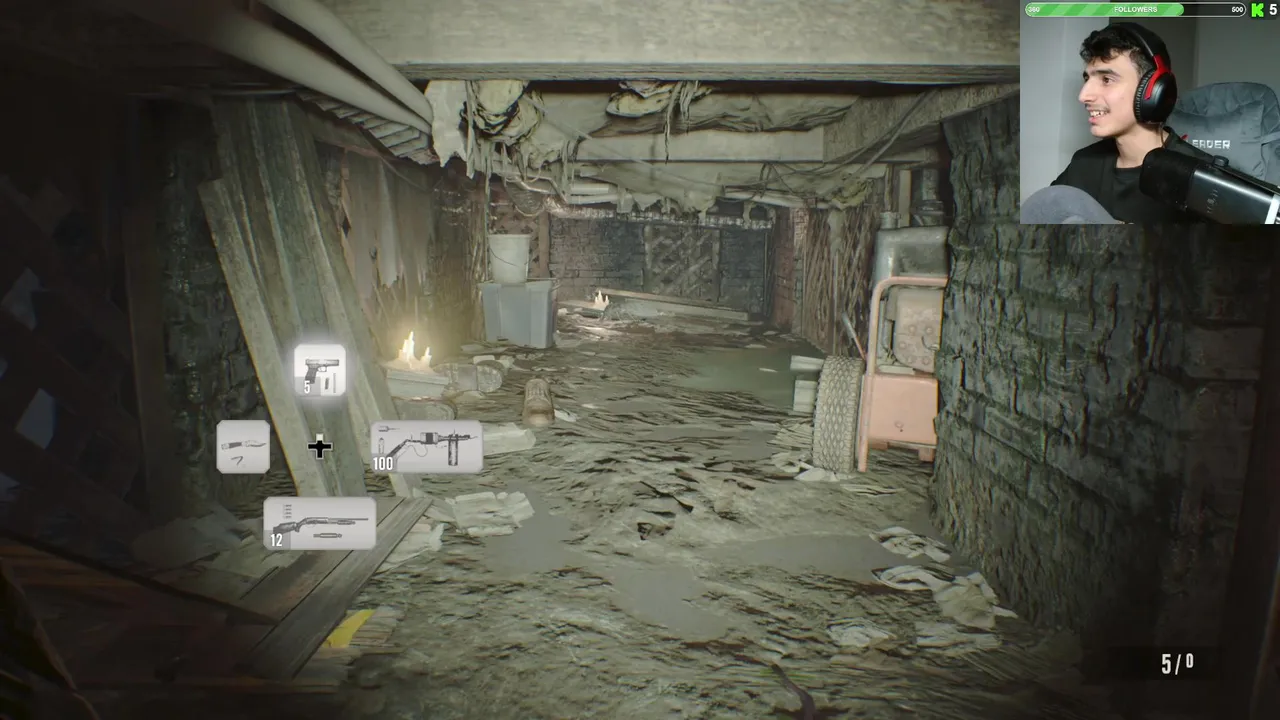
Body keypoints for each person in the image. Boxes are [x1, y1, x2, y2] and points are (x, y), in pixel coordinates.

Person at [1051, 22, 1212, 223]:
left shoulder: (1201, 180)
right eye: (1087, 79)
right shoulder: (1083, 165)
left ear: (1154, 91)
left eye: (1106, 80)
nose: (1083, 96)